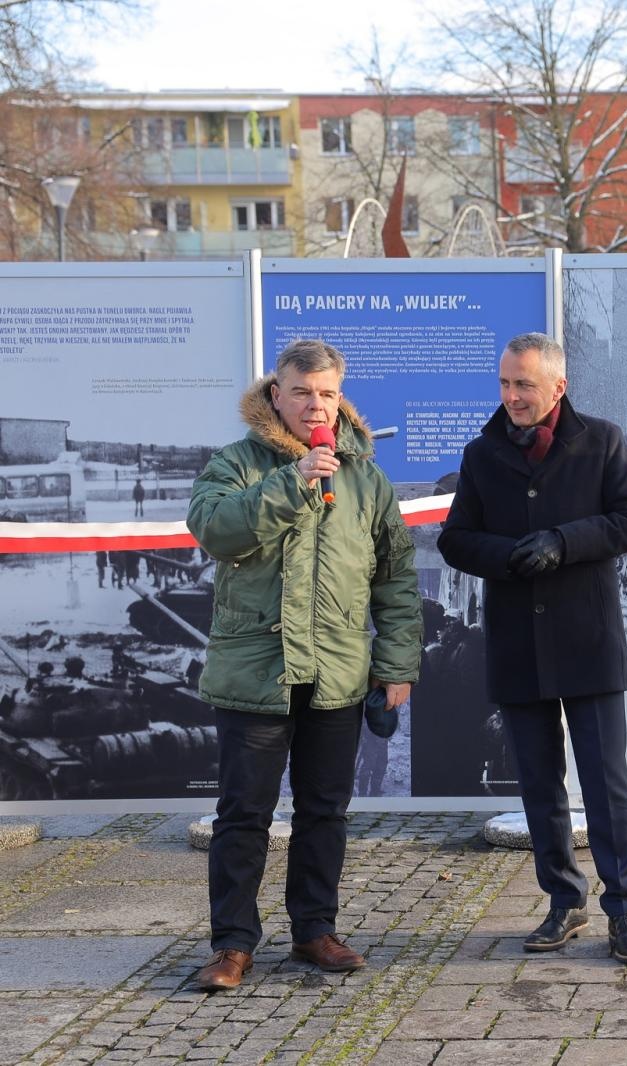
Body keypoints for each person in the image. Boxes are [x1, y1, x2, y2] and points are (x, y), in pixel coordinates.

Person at [186, 339, 421, 993]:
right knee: (243, 815)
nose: (314, 405)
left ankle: (315, 930)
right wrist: (293, 484)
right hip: (255, 674)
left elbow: (396, 578)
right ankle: (232, 945)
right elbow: (217, 530)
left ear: (338, 398)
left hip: (337, 673)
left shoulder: (366, 477)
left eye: (325, 394)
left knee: (325, 811)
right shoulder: (236, 464)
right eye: (300, 392)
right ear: (275, 395)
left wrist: (397, 662)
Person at [438, 331, 627, 964]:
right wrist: (507, 556)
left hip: (587, 640)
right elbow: (456, 540)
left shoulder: (603, 440)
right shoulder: (482, 454)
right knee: (538, 783)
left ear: (557, 385)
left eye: (524, 384)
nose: (512, 397)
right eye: (505, 384)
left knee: (606, 783)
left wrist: (563, 540)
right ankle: (563, 898)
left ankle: (623, 909)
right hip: (517, 642)